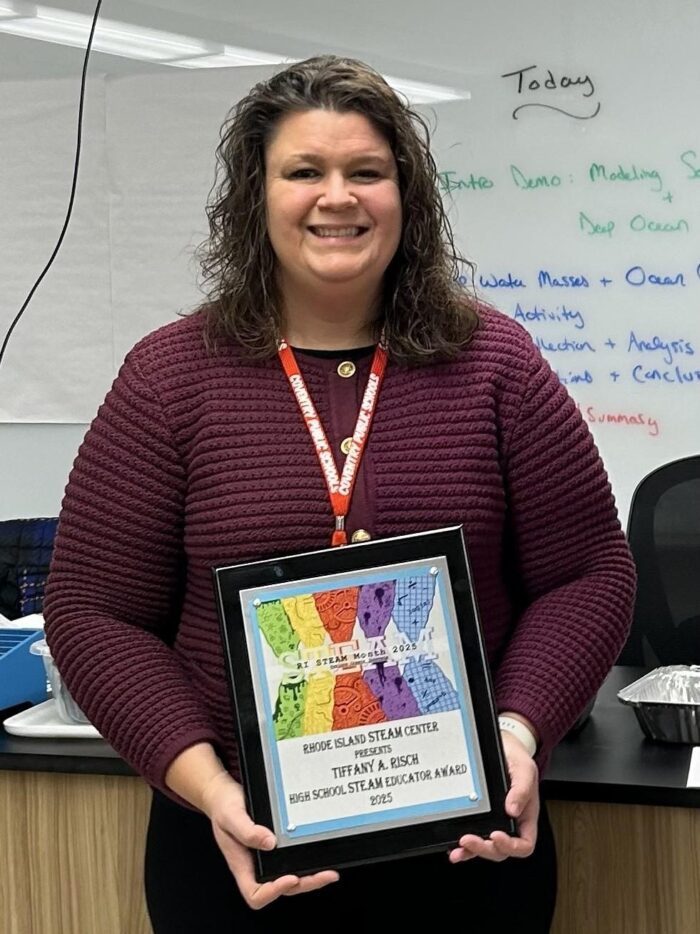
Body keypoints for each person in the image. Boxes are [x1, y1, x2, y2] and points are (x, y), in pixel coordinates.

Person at [43, 55, 636, 933]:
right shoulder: (170, 378)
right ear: (256, 197)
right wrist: (205, 786)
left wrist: (516, 737)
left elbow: (589, 576)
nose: (338, 196)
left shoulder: (495, 364)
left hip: (468, 858)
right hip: (240, 857)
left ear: (407, 196)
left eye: (367, 172)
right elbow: (93, 612)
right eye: (304, 172)